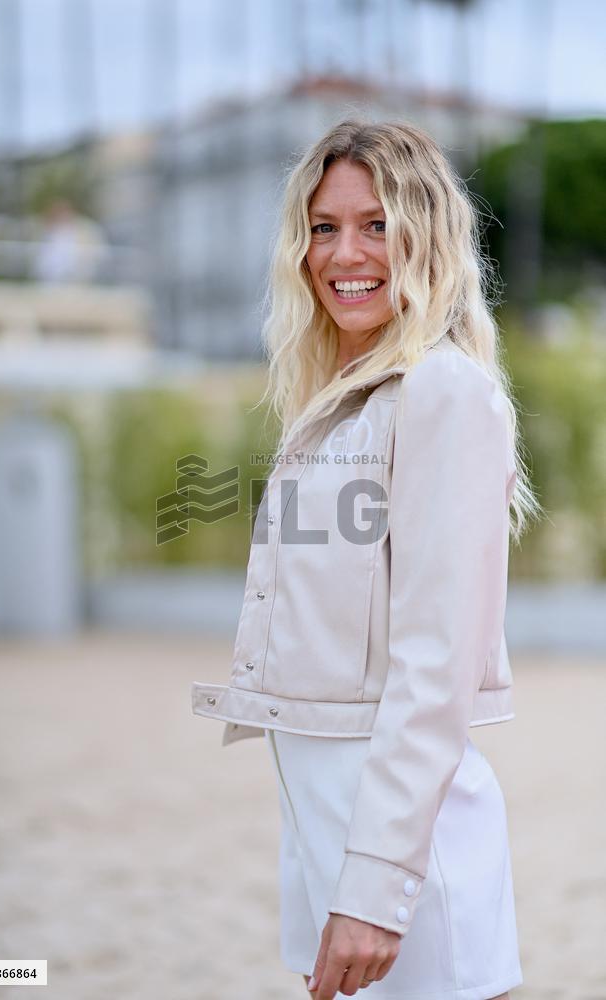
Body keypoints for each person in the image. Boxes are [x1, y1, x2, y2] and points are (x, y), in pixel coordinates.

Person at [191, 119, 541, 999]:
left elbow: (434, 667)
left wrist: (377, 888)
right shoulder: (338, 408)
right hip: (328, 837)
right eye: (323, 226)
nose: (345, 251)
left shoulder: (443, 393)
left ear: (427, 235)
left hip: (401, 858)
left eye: (377, 224)